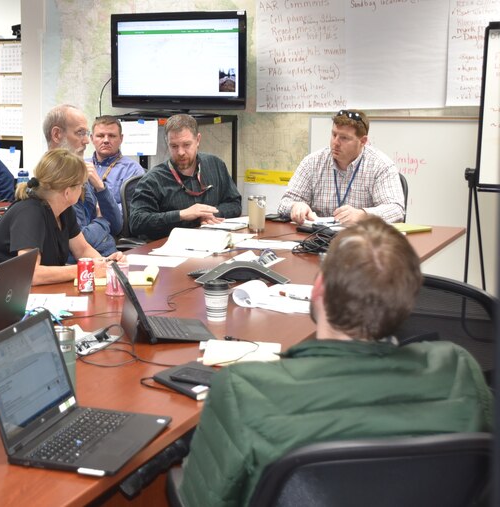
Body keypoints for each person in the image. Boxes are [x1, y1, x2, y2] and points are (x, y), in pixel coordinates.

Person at [177, 216, 493, 507]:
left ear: (319, 288)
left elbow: (199, 499)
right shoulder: (459, 370)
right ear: (408, 302)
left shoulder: (242, 390)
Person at [0, 149, 125, 291]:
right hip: (3, 297)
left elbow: (82, 249)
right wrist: (88, 269)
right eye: (82, 185)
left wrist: (106, 265)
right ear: (67, 192)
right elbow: (31, 274)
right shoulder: (29, 213)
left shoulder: (64, 210)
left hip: (36, 293)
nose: (83, 190)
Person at [277, 109, 405, 225]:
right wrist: (296, 206)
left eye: (344, 138)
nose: (335, 143)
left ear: (363, 141)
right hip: (316, 240)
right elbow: (285, 203)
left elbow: (396, 210)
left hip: (362, 242)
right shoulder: (312, 162)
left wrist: (362, 215)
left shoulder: (380, 166)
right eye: (334, 135)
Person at [128, 113, 242, 241]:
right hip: (169, 247)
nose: (180, 152)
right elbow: (136, 222)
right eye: (174, 146)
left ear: (198, 140)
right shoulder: (153, 180)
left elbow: (234, 204)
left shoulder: (215, 164)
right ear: (167, 143)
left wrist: (206, 215)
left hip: (212, 240)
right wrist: (181, 215)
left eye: (186, 145)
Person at [43, 104, 123, 257]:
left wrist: (100, 187)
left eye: (87, 133)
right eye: (80, 133)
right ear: (57, 134)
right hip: (82, 268)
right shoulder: (52, 183)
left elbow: (117, 226)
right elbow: (81, 239)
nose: (87, 141)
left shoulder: (83, 173)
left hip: (108, 259)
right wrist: (102, 220)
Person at [86, 115, 146, 213]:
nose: (106, 140)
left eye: (112, 136)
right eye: (100, 136)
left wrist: (100, 210)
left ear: (121, 139)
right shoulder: (81, 165)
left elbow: (131, 209)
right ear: (92, 138)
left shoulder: (133, 170)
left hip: (112, 225)